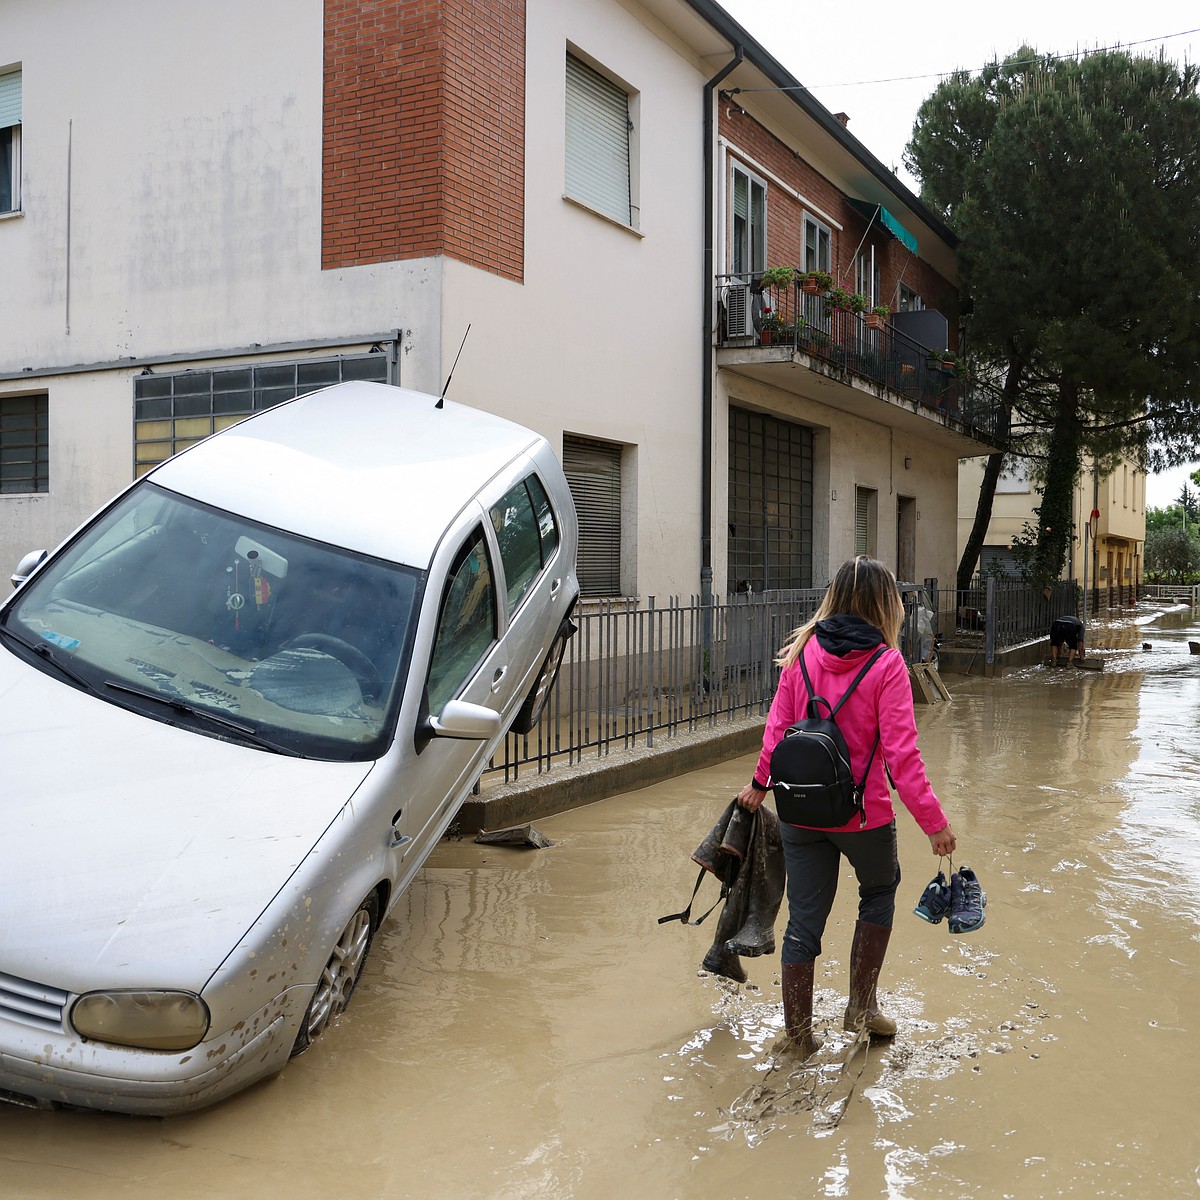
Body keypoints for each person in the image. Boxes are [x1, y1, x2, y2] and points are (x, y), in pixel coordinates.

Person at [736, 556, 956, 1059]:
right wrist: (935, 825)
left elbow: (778, 727)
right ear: (885, 605)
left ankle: (797, 1038)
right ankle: (860, 1008)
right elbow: (902, 758)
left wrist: (758, 785)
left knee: (803, 920)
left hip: (799, 811)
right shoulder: (886, 664)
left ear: (834, 597)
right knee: (879, 891)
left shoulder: (804, 653)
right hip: (864, 815)